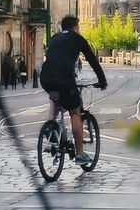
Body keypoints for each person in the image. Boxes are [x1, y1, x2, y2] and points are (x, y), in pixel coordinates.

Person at [38, 16, 106, 168]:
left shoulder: (54, 38)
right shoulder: (77, 38)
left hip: (46, 78)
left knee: (55, 100)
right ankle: (80, 153)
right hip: (64, 79)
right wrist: (102, 80)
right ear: (75, 27)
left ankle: (51, 133)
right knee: (75, 112)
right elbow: (92, 60)